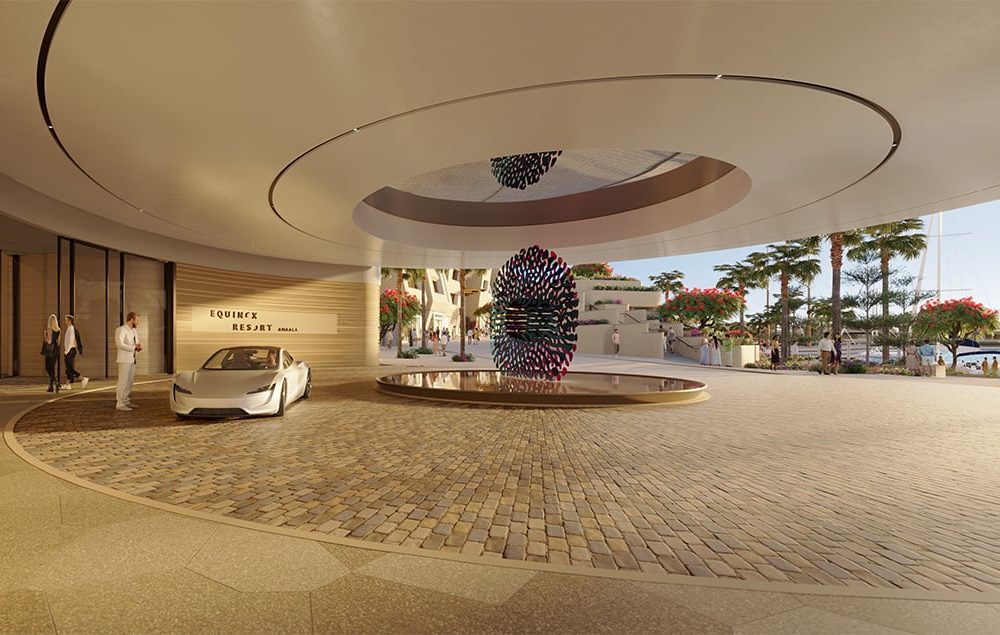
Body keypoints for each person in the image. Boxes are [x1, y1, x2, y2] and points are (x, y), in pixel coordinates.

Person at [115, 311, 142, 411]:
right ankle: (120, 403)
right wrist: (133, 347)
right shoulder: (121, 330)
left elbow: (136, 343)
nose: (138, 322)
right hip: (124, 360)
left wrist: (138, 346)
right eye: (137, 320)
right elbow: (119, 344)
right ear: (132, 320)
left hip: (132, 359)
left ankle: (125, 400)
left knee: (130, 381)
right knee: (123, 381)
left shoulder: (134, 331)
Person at [61, 314, 89, 390]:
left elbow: (70, 341)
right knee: (68, 368)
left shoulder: (71, 329)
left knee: (70, 368)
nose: (65, 321)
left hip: (70, 350)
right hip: (69, 350)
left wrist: (67, 351)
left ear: (69, 321)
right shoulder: (69, 329)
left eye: (66, 319)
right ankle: (67, 384)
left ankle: (83, 378)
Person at [41, 314, 61, 392]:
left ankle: (55, 382)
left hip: (50, 351)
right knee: (52, 368)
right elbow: (59, 342)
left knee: (47, 367)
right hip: (56, 350)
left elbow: (49, 341)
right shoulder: (59, 329)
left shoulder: (49, 329)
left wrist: (45, 335)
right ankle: (51, 387)